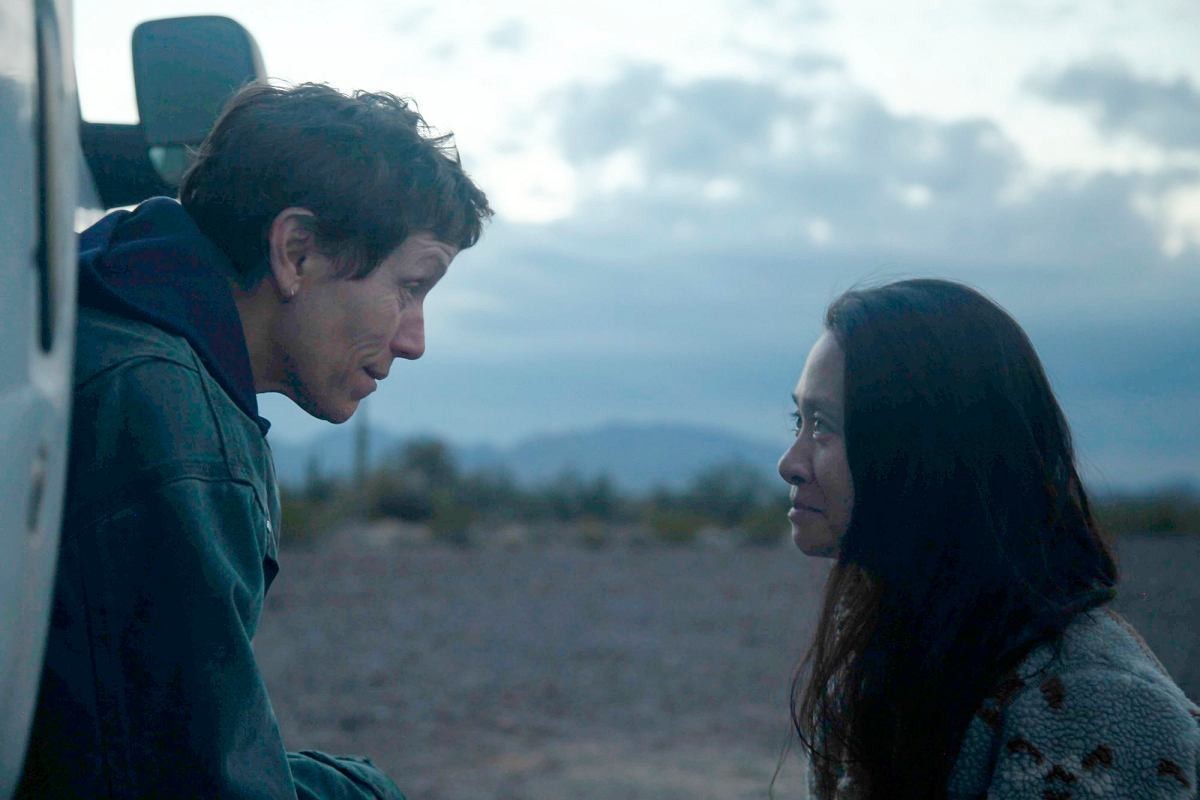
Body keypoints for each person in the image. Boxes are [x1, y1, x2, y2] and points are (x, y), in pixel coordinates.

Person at [18, 82, 492, 799]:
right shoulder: (171, 427)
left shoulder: (97, 322)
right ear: (296, 252)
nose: (414, 339)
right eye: (410, 286)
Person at [777, 279, 1199, 799]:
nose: (790, 464)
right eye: (798, 420)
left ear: (928, 448)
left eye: (823, 425)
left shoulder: (1092, 702)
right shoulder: (890, 648)